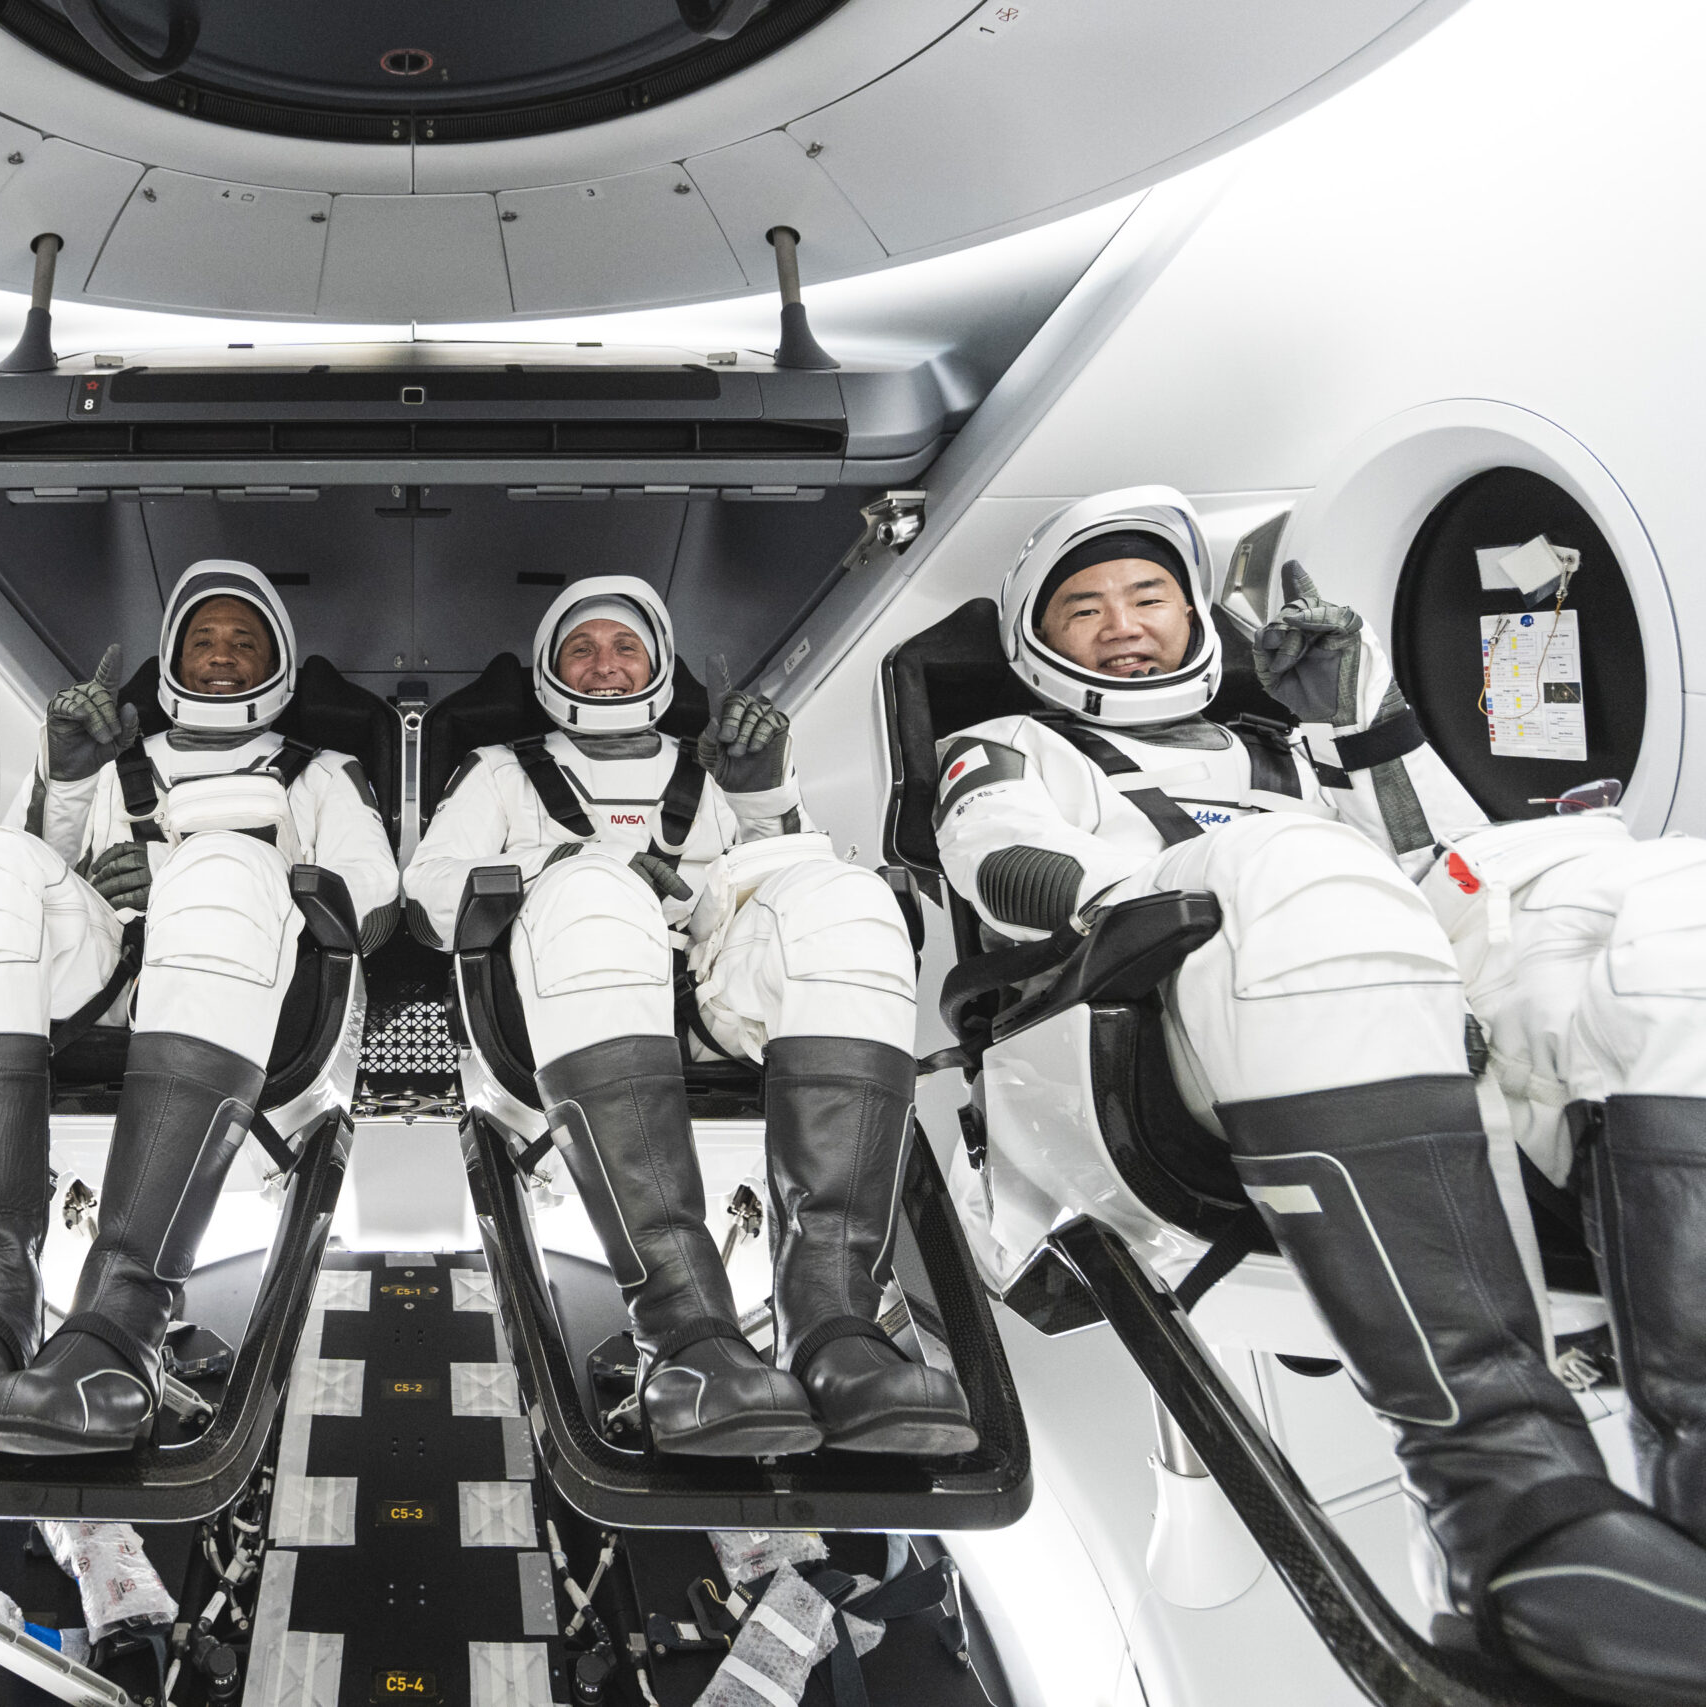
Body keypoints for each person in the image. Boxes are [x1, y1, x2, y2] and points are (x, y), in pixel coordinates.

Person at [934, 485, 1706, 1704]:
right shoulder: (1012, 745)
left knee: (1649, 892)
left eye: (1147, 595)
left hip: (1389, 999)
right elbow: (996, 852)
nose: (1121, 623)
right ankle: (1500, 1505)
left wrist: (1365, 720)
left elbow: (1446, 871)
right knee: (1295, 867)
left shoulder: (1285, 752)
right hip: (1143, 1022)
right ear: (1040, 643)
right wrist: (1141, 896)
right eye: (1082, 608)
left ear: (1194, 615)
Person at [404, 578, 972, 1459]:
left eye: (624, 646)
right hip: (561, 1006)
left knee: (849, 897)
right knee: (594, 889)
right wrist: (562, 860)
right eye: (581, 650)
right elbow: (431, 896)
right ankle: (685, 1333)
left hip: (710, 999)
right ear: (552, 673)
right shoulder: (500, 773)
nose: (604, 665)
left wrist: (760, 802)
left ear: (658, 665)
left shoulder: (711, 772)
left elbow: (787, 885)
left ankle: (833, 1327)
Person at [0, 560, 397, 1456]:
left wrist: (185, 870)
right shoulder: (114, 765)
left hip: (257, 993)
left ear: (280, 663)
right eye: (203, 639)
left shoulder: (321, 774)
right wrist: (66, 781)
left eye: (243, 640)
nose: (221, 656)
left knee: (225, 866)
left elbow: (373, 907)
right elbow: (35, 880)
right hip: (105, 982)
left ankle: (122, 1326)